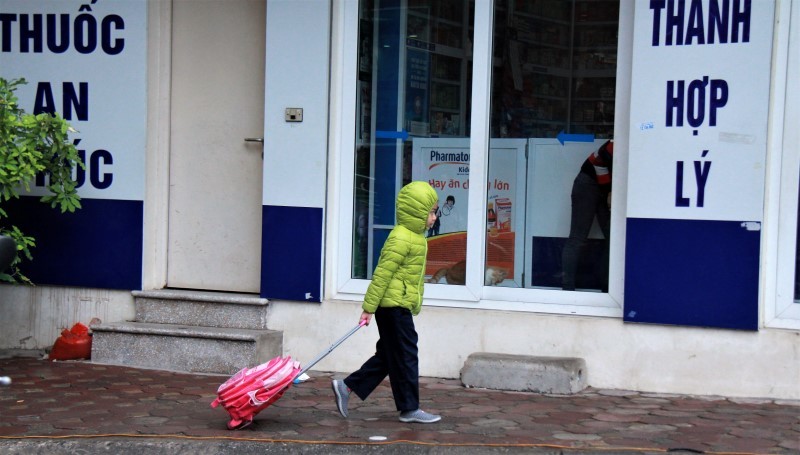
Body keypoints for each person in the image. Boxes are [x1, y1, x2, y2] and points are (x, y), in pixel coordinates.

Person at [333, 181, 442, 424]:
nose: (434, 218)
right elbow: (382, 273)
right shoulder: (401, 238)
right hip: (392, 307)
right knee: (406, 354)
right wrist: (368, 308)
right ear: (417, 212)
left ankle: (346, 386)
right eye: (432, 212)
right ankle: (409, 408)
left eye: (435, 212)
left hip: (397, 304)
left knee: (389, 355)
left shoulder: (414, 237)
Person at [562, 140, 613, 292]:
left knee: (613, 241)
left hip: (602, 185)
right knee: (577, 238)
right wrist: (609, 192)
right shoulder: (617, 143)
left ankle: (608, 288)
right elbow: (600, 160)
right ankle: (567, 289)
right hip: (588, 184)